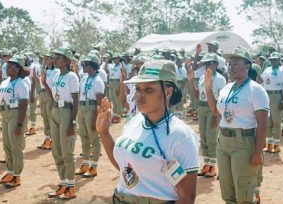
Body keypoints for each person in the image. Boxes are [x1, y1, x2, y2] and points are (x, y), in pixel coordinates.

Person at [97, 60, 199, 204]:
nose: (139, 95)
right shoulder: (135, 121)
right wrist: (103, 132)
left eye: (149, 90)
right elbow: (124, 166)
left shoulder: (181, 135)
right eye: (138, 89)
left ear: (168, 92)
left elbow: (187, 197)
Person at [204, 47, 269, 204]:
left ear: (247, 66)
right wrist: (207, 88)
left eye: (235, 63)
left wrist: (257, 152)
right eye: (229, 63)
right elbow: (215, 111)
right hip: (223, 143)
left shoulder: (255, 90)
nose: (231, 67)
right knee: (228, 193)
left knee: (244, 195)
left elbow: (262, 123)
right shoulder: (226, 89)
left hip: (244, 143)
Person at [42, 47, 79, 200]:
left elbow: (76, 100)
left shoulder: (72, 77)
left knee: (67, 151)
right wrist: (44, 84)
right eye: (54, 57)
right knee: (56, 150)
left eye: (58, 58)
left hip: (67, 111)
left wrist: (72, 121)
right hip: (56, 110)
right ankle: (63, 183)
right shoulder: (56, 75)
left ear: (66, 60)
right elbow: (53, 94)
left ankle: (71, 186)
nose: (55, 60)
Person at [0, 55, 29, 188]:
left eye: (11, 66)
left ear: (18, 69)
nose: (8, 68)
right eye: (7, 65)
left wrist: (19, 124)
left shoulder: (21, 83)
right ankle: (10, 172)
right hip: (5, 114)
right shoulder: (5, 82)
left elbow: (24, 104)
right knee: (7, 145)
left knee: (16, 146)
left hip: (16, 114)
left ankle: (17, 176)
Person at [188, 53, 226, 178]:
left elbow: (221, 99)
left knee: (211, 137)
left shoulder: (220, 79)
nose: (207, 66)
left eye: (210, 63)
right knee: (203, 137)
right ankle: (206, 164)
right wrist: (190, 80)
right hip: (202, 107)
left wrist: (216, 116)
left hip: (212, 108)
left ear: (215, 64)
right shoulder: (201, 78)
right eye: (205, 63)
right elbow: (196, 94)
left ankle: (213, 166)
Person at [75, 54, 104, 178]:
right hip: (82, 108)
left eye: (85, 64)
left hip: (92, 109)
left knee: (94, 138)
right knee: (84, 137)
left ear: (92, 66)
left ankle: (94, 167)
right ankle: (85, 163)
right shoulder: (84, 78)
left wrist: (95, 118)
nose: (83, 66)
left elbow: (99, 102)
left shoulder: (98, 81)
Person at [260, 52, 283, 153]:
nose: (273, 61)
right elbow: (261, 79)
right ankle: (269, 144)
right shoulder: (267, 69)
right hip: (267, 95)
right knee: (268, 122)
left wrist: (282, 100)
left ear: (279, 60)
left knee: (276, 122)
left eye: (275, 59)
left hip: (277, 96)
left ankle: (276, 145)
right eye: (271, 59)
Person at [37, 53, 59, 150]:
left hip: (50, 94)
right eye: (44, 58)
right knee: (44, 115)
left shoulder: (56, 71)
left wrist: (54, 98)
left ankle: (54, 140)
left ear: (52, 60)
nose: (44, 60)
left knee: (51, 117)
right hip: (42, 93)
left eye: (47, 58)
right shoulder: (44, 70)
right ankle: (47, 139)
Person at [105, 53, 123, 123]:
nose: (115, 60)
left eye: (116, 58)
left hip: (117, 81)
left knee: (117, 99)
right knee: (113, 99)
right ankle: (115, 115)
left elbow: (121, 76)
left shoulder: (121, 66)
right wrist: (106, 61)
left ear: (119, 59)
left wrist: (119, 86)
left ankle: (118, 116)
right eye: (114, 59)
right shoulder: (111, 65)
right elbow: (106, 70)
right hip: (111, 81)